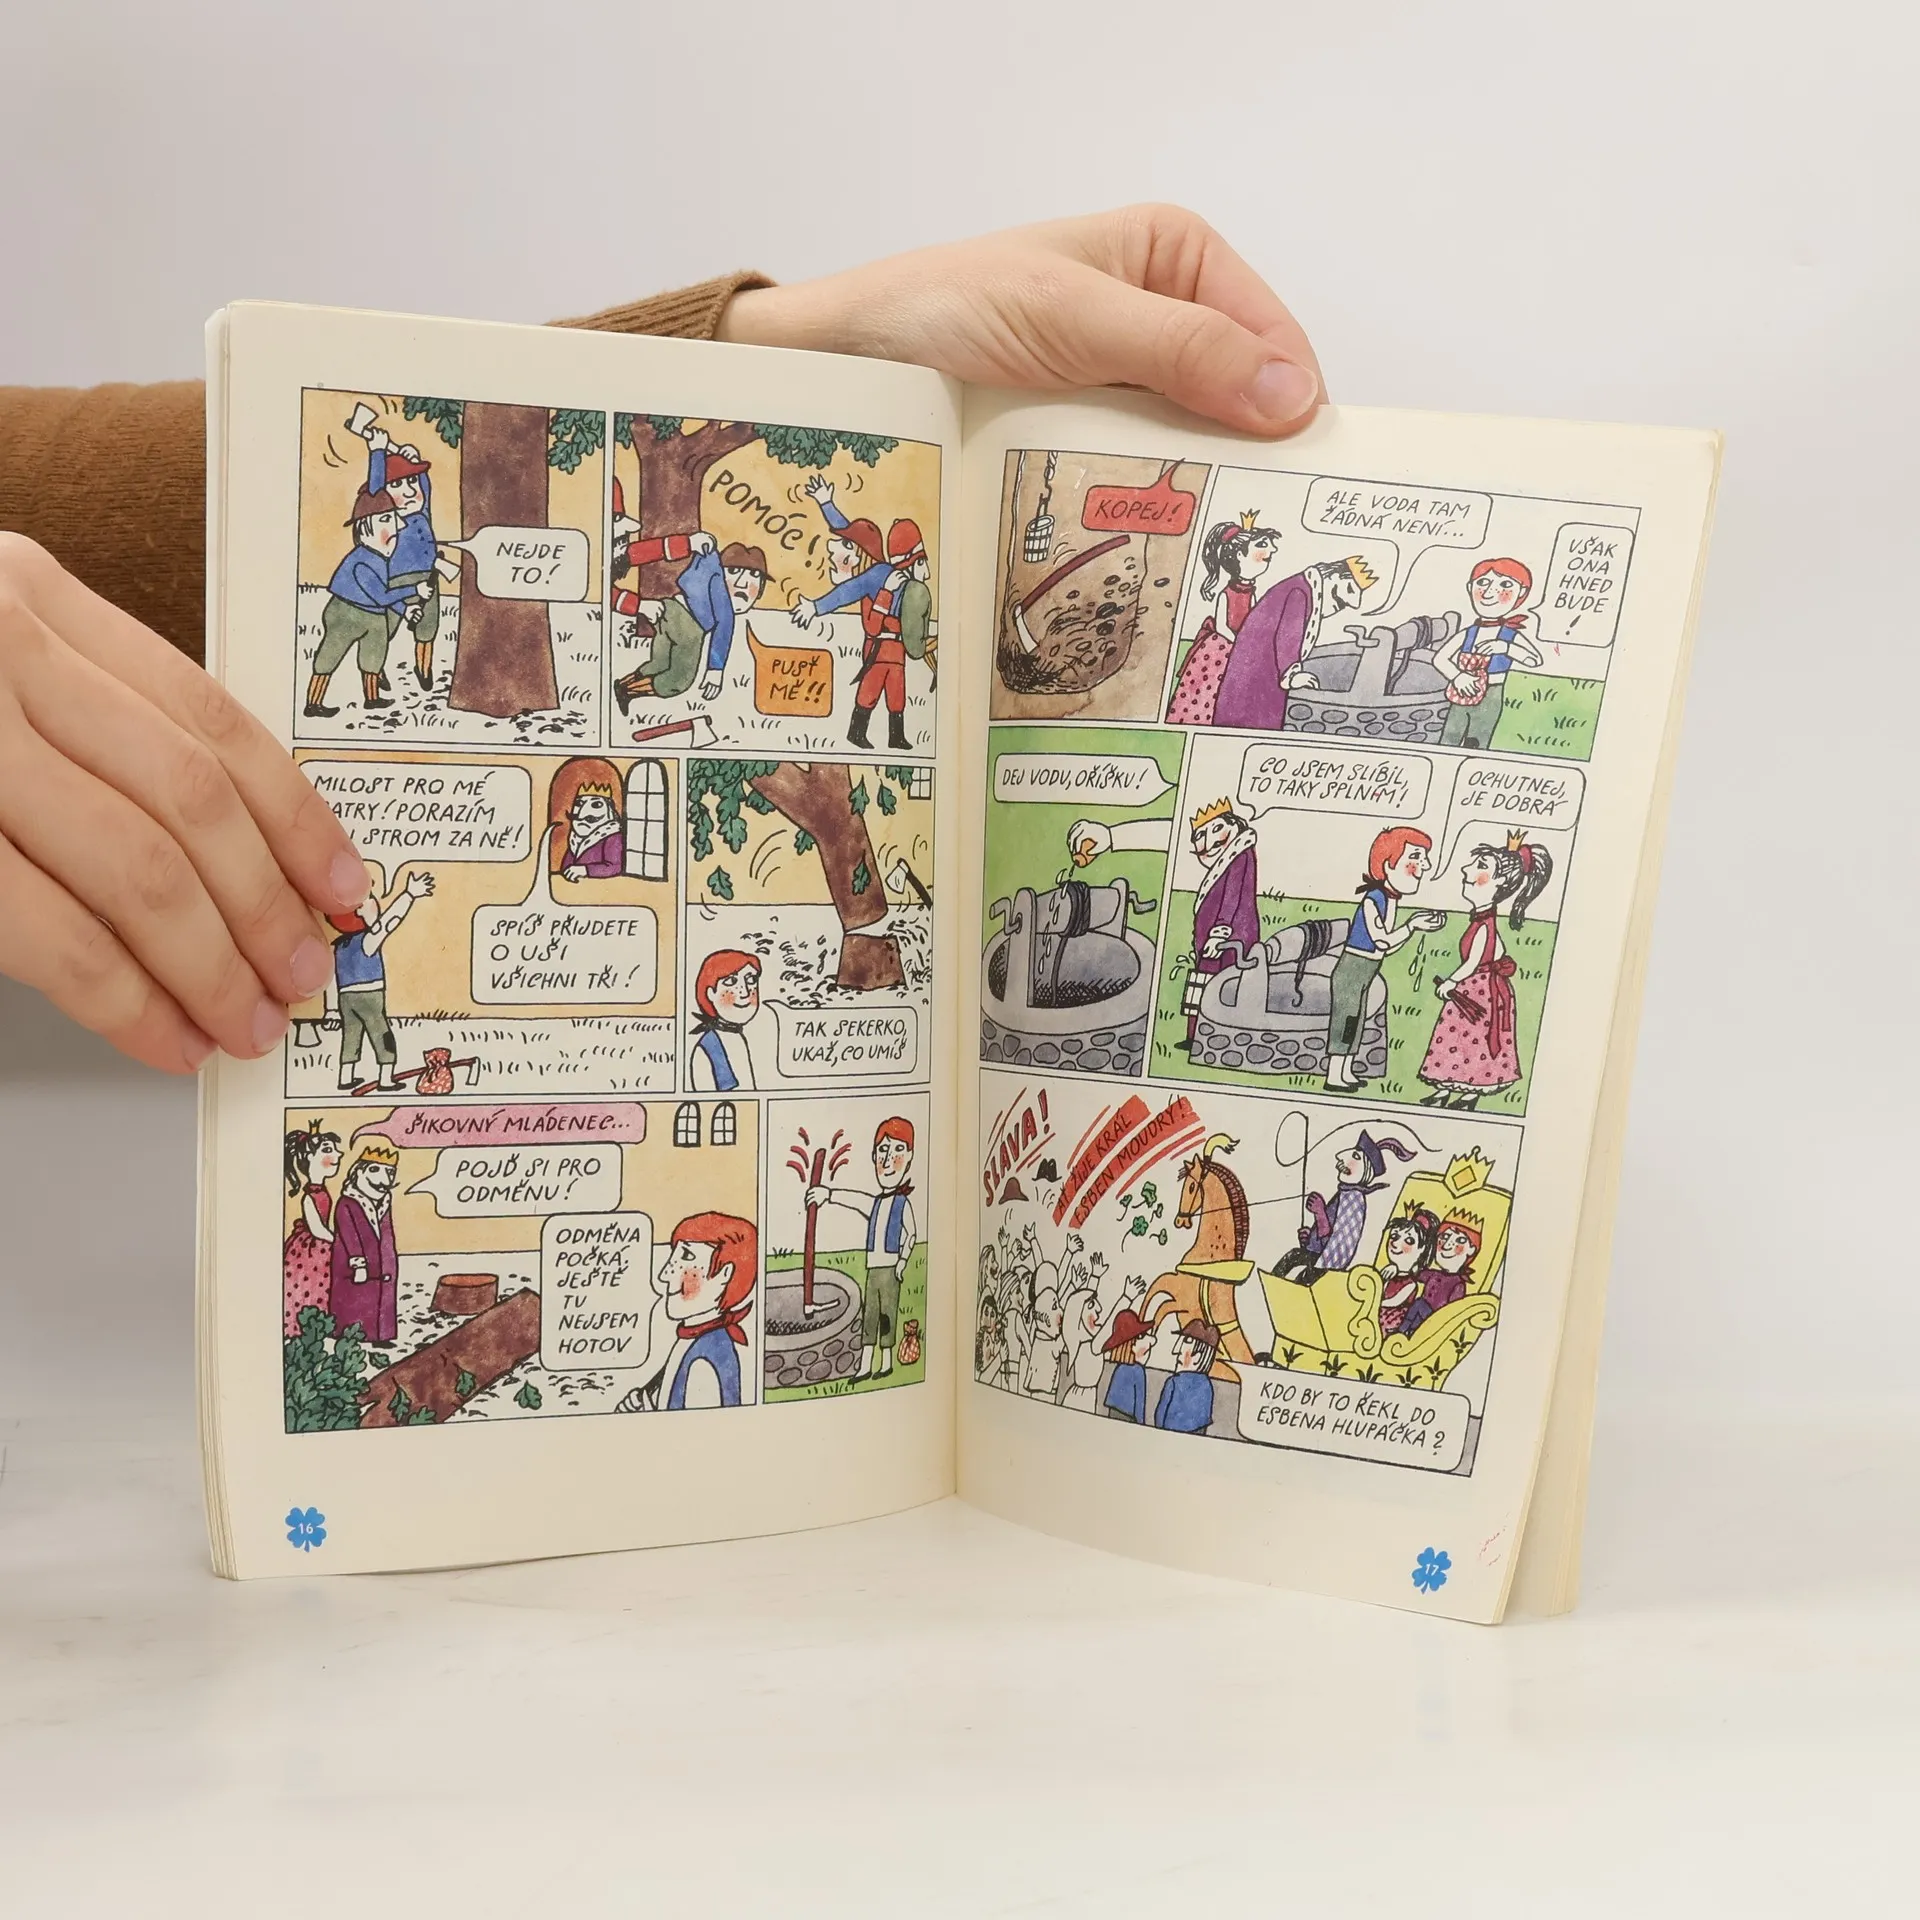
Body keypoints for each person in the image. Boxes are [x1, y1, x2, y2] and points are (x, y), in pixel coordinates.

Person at [0, 209, 1323, 1075]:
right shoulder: (718, 578)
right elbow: (754, 592)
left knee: (820, 709)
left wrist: (756, 357)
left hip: (805, 670)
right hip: (708, 669)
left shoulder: (800, 581)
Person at [1419, 831, 1552, 1109]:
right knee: (1456, 1039)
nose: (1466, 870)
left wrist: (1450, 982)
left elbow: (1473, 961)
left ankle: (1469, 1094)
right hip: (1476, 990)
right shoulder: (1481, 920)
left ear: (1500, 881)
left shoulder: (1485, 923)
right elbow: (1494, 952)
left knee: (1472, 1042)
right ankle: (1444, 1091)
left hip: (1481, 993)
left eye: (1480, 866)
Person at [1325, 825, 1446, 1093]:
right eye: (1415, 857)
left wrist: (1413, 927)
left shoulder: (1391, 900)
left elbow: (1386, 947)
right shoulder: (1374, 899)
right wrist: (1412, 926)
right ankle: (1334, 1075)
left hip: (1368, 967)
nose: (1425, 865)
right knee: (1346, 1021)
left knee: (1356, 1022)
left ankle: (1346, 1071)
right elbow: (1382, 940)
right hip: (1352, 968)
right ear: (1388, 864)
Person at [805, 1116, 919, 1380]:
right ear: (874, 1156)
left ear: (909, 1157)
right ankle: (865, 1366)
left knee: (887, 1317)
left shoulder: (902, 1203)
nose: (888, 1160)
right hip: (872, 1269)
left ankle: (886, 1363)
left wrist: (902, 1262)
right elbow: (857, 1201)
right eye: (883, 1150)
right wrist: (828, 1194)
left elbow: (912, 1233)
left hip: (890, 1269)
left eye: (898, 1150)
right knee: (870, 1317)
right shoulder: (876, 1202)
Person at [1209, 554, 1374, 731]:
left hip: (1261, 675)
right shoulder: (1299, 592)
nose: (1344, 603)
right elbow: (1288, 638)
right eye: (1348, 589)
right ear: (1334, 576)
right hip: (1258, 677)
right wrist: (1292, 674)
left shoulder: (1302, 589)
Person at [306, 487, 433, 717]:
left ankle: (372, 699)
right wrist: (414, 590)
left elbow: (384, 597)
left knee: (373, 656)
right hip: (346, 612)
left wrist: (404, 610)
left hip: (375, 615)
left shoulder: (382, 559)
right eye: (386, 520)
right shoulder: (360, 561)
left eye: (394, 519)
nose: (397, 527)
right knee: (329, 657)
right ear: (364, 528)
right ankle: (313, 703)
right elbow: (381, 595)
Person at [1165, 511, 1283, 725]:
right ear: (1239, 555)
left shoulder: (1251, 592)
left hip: (1241, 646)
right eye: (1261, 546)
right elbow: (1221, 627)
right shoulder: (1226, 594)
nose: (1271, 551)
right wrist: (1240, 644)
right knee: (1210, 691)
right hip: (1222, 649)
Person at [328, 860, 435, 1092]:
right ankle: (386, 1079)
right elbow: (389, 922)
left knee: (351, 1035)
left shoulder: (339, 946)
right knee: (381, 1032)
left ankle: (346, 1078)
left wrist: (330, 1010)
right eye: (369, 899)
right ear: (360, 911)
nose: (374, 902)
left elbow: (330, 977)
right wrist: (409, 895)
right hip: (369, 993)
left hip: (345, 997)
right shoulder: (368, 939)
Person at [360, 423, 446, 693]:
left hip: (428, 576)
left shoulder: (423, 510)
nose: (409, 491)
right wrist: (377, 452)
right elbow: (375, 493)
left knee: (428, 625)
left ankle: (424, 667)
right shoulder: (387, 515)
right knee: (386, 625)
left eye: (412, 482)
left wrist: (413, 458)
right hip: (395, 578)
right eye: (397, 484)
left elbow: (424, 485)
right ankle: (377, 668)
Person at [1273, 1130, 1417, 1284]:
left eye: (1356, 1156)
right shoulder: (1346, 1194)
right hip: (1320, 1259)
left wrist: (1320, 1213)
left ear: (1366, 1170)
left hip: (1327, 1267)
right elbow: (1327, 1234)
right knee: (1293, 1258)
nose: (1340, 1157)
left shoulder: (1353, 1200)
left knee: (1300, 1278)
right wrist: (1310, 1240)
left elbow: (1336, 1241)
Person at [1432, 558, 1545, 751]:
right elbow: (1439, 659)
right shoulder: (1468, 633)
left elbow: (1534, 660)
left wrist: (1506, 648)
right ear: (1470, 588)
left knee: (1477, 740)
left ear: (1521, 593)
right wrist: (1458, 676)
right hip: (1462, 691)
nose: (1490, 592)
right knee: (1450, 736)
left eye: (1505, 585)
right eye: (1483, 582)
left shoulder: (1510, 634)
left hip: (1491, 693)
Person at [656, 1211, 758, 1409]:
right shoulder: (697, 1341)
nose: (664, 1274)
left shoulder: (703, 1361)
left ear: (725, 1273)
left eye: (686, 1256)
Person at [1182, 797, 1259, 1048]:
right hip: (1213, 941)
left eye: (1217, 828)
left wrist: (1220, 933)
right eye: (1200, 835)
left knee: (1220, 986)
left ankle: (1211, 1036)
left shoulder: (1239, 857)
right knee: (1202, 985)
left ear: (1235, 826)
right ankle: (1194, 1036)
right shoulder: (1223, 862)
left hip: (1228, 939)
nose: (1210, 840)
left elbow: (1232, 897)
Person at [328, 1138, 401, 1345]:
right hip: (354, 1264)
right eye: (375, 1170)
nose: (384, 1178)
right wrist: (358, 1263)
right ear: (359, 1172)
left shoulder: (384, 1202)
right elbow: (349, 1235)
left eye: (389, 1172)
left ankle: (381, 1335)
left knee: (382, 1299)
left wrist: (389, 1258)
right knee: (355, 1297)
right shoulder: (347, 1203)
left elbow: (387, 1233)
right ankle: (349, 1334)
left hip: (382, 1262)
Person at [282, 1119, 343, 1338]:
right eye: (328, 1150)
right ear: (309, 1156)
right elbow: (317, 1229)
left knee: (322, 1286)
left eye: (335, 1149)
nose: (338, 1155)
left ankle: (319, 1325)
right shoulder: (309, 1196)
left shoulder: (321, 1190)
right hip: (310, 1249)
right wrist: (339, 1241)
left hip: (322, 1245)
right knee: (310, 1285)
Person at [687, 948, 764, 1092]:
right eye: (731, 982)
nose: (745, 992)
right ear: (710, 993)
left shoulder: (744, 1040)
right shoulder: (708, 1048)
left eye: (751, 980)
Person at [1403, 1215, 1482, 1336]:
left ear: (1471, 1249)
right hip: (1421, 1316)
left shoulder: (1458, 1284)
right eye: (1444, 1237)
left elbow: (1452, 1310)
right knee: (1417, 1308)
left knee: (1419, 1303)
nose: (1446, 1245)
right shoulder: (1434, 1274)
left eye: (1460, 1241)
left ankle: (1402, 1330)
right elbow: (1418, 1274)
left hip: (1436, 1319)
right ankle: (1408, 1331)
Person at [1376, 1206, 1439, 1338]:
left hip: (1390, 1323)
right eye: (1394, 1236)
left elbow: (1393, 1302)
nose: (1396, 1243)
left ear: (1422, 1249)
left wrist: (1373, 1302)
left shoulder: (1411, 1284)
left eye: (1409, 1241)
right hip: (1376, 1313)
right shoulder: (1390, 1272)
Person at [1152, 1319, 1220, 1433]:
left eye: (1181, 1353)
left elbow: (1160, 1416)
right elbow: (1204, 1422)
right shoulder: (1207, 1385)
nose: (1176, 1352)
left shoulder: (1174, 1382)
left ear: (1197, 1357)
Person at [558, 780, 625, 880]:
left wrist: (585, 870)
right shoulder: (575, 840)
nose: (583, 811)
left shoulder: (613, 837)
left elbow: (615, 867)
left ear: (609, 811)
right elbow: (566, 868)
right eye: (579, 803)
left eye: (596, 805)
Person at [1098, 1307, 1155, 1421]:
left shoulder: (1120, 1369)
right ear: (1131, 1344)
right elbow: (1139, 1409)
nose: (1151, 1341)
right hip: (1129, 1420)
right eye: (1141, 1336)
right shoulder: (1137, 1371)